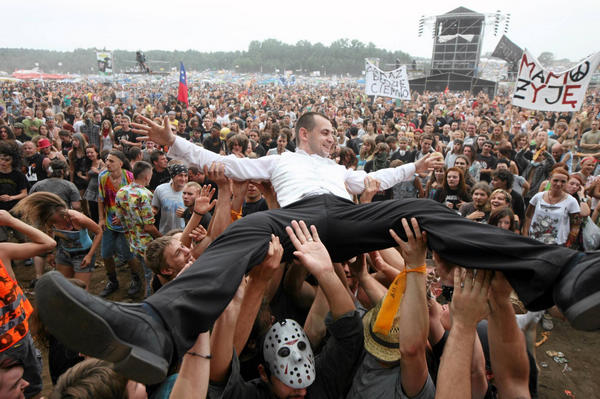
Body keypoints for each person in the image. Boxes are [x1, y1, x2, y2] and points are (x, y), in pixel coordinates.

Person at [36, 112, 600, 386]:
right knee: (241, 235)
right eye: (326, 133)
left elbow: (377, 175)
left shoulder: (340, 168)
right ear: (304, 134)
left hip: (351, 217)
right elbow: (228, 164)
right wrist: (174, 144)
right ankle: (158, 325)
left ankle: (566, 274)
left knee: (427, 212)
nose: (334, 140)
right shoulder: (282, 160)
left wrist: (415, 168)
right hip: (296, 218)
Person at [0, 210, 56, 398]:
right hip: (5, 351)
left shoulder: (1, 253)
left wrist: (11, 221)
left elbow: (48, 244)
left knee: (31, 387)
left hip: (22, 337)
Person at [13, 192, 101, 290]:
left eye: (55, 220)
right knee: (63, 287)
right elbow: (49, 234)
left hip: (83, 255)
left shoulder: (77, 218)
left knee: (80, 291)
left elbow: (98, 231)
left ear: (61, 213)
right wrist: (50, 253)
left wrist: (89, 255)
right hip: (64, 254)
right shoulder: (50, 220)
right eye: (52, 221)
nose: (55, 223)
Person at [97, 149, 144, 297]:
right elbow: (101, 199)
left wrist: (124, 215)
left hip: (127, 223)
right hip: (110, 222)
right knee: (105, 253)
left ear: (121, 163)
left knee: (129, 254)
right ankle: (112, 281)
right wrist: (101, 218)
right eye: (107, 160)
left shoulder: (129, 177)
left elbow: (138, 199)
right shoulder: (103, 177)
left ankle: (136, 280)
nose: (107, 163)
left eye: (111, 161)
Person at [115, 161, 161, 297]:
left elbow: (119, 218)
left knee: (146, 274)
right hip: (148, 244)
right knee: (151, 277)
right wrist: (163, 237)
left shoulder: (122, 192)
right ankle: (150, 303)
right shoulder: (144, 195)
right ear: (147, 176)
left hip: (133, 242)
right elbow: (149, 227)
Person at [523, 168, 581, 248]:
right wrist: (525, 235)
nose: (558, 184)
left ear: (567, 182)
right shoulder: (538, 197)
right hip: (534, 241)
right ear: (550, 180)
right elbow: (528, 216)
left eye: (563, 181)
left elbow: (576, 225)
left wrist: (568, 243)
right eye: (555, 180)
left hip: (557, 245)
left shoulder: (571, 201)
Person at [152, 163, 188, 234]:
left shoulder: (191, 190)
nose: (183, 179)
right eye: (180, 175)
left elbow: (197, 213)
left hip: (183, 234)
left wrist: (186, 214)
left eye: (186, 176)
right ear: (173, 177)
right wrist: (152, 211)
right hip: (164, 233)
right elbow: (155, 207)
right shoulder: (160, 189)